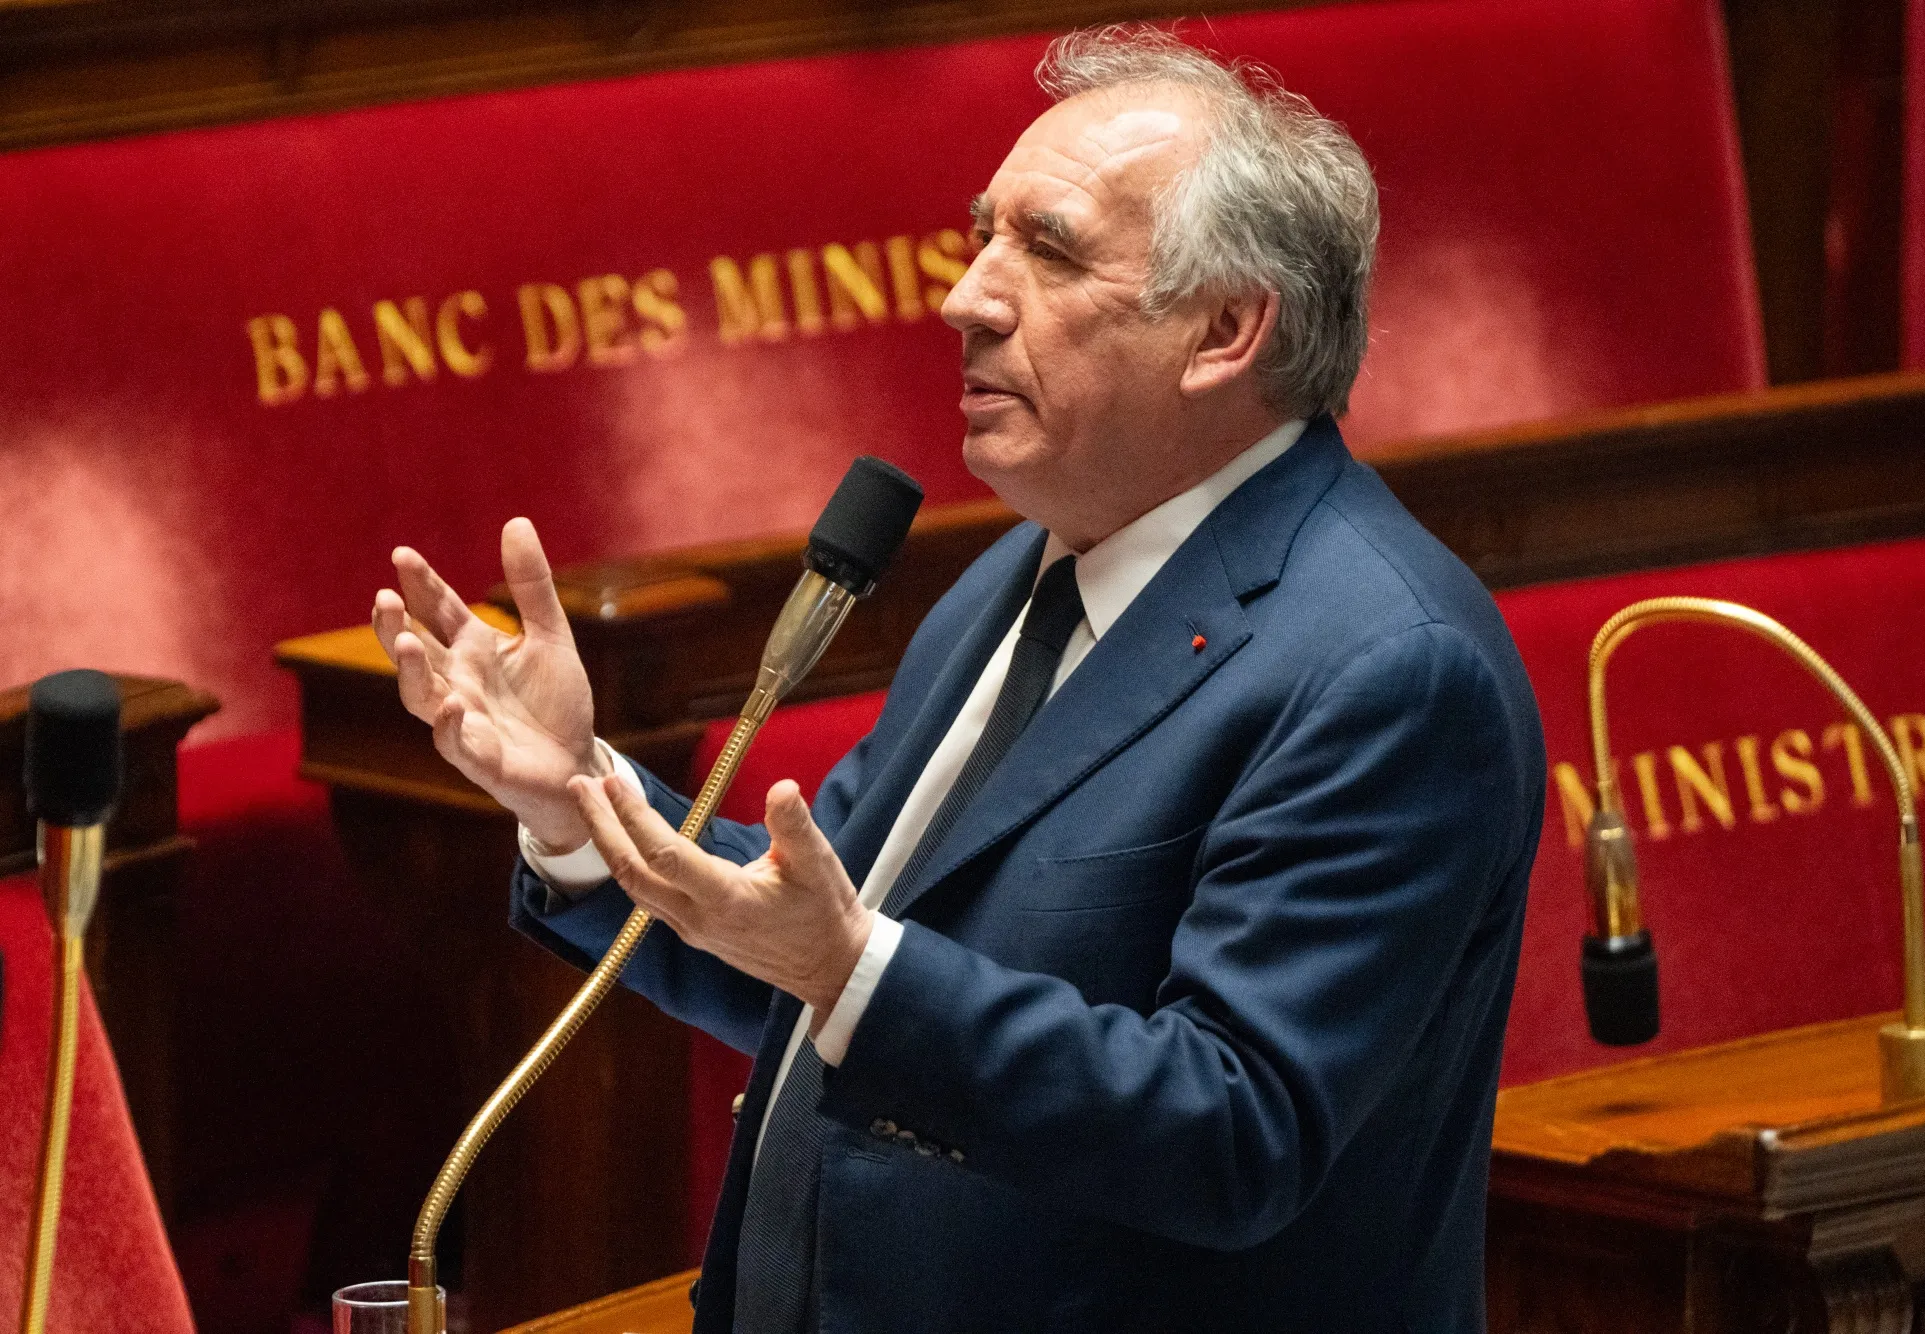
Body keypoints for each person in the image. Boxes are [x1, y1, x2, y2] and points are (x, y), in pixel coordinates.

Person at [372, 26, 1544, 1333]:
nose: (967, 298)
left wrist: (852, 970)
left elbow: (1234, 1129)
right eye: (982, 237)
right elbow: (810, 937)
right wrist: (579, 802)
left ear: (1224, 329)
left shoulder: (1390, 671)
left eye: (1049, 250)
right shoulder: (1017, 578)